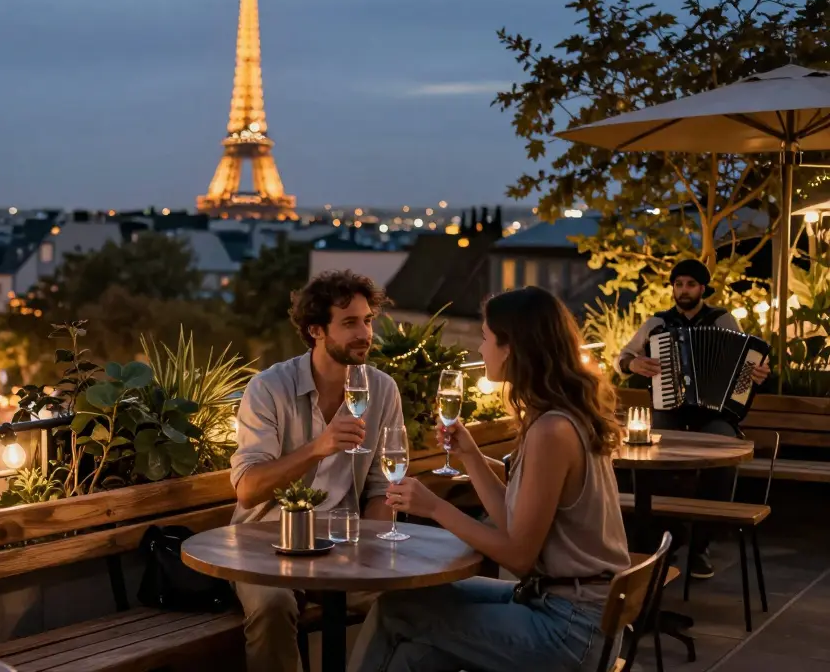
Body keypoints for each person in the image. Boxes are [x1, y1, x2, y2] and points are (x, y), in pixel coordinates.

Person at [350, 286, 630, 672]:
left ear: (511, 347)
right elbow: (515, 523)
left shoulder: (552, 431)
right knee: (413, 650)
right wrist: (470, 456)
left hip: (569, 628)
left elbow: (518, 555)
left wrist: (435, 507)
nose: (480, 350)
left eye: (485, 338)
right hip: (567, 608)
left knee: (398, 610)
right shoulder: (561, 416)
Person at [230, 270, 402, 672]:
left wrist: (371, 549)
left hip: (342, 546)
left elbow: (383, 486)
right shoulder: (269, 388)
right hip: (266, 544)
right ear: (315, 330)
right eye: (349, 323)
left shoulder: (381, 389)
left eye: (367, 320)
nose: (365, 333)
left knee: (403, 603)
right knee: (272, 606)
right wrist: (317, 448)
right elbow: (248, 491)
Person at [617, 258, 770, 579]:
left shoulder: (722, 320)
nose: (682, 290)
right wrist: (633, 365)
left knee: (725, 453)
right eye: (678, 284)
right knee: (648, 457)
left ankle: (702, 545)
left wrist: (757, 373)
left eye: (689, 284)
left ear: (702, 288)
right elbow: (624, 357)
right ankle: (660, 541)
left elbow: (746, 361)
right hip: (669, 410)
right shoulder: (656, 324)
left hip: (713, 412)